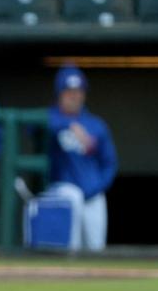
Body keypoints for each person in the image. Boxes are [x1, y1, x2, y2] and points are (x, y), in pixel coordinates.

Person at [45, 65, 117, 252]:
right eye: (69, 91)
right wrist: (68, 126)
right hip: (62, 190)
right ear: (59, 93)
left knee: (96, 248)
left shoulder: (96, 125)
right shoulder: (49, 118)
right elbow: (33, 128)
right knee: (69, 246)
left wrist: (97, 187)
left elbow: (109, 163)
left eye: (78, 91)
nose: (74, 96)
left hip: (93, 194)